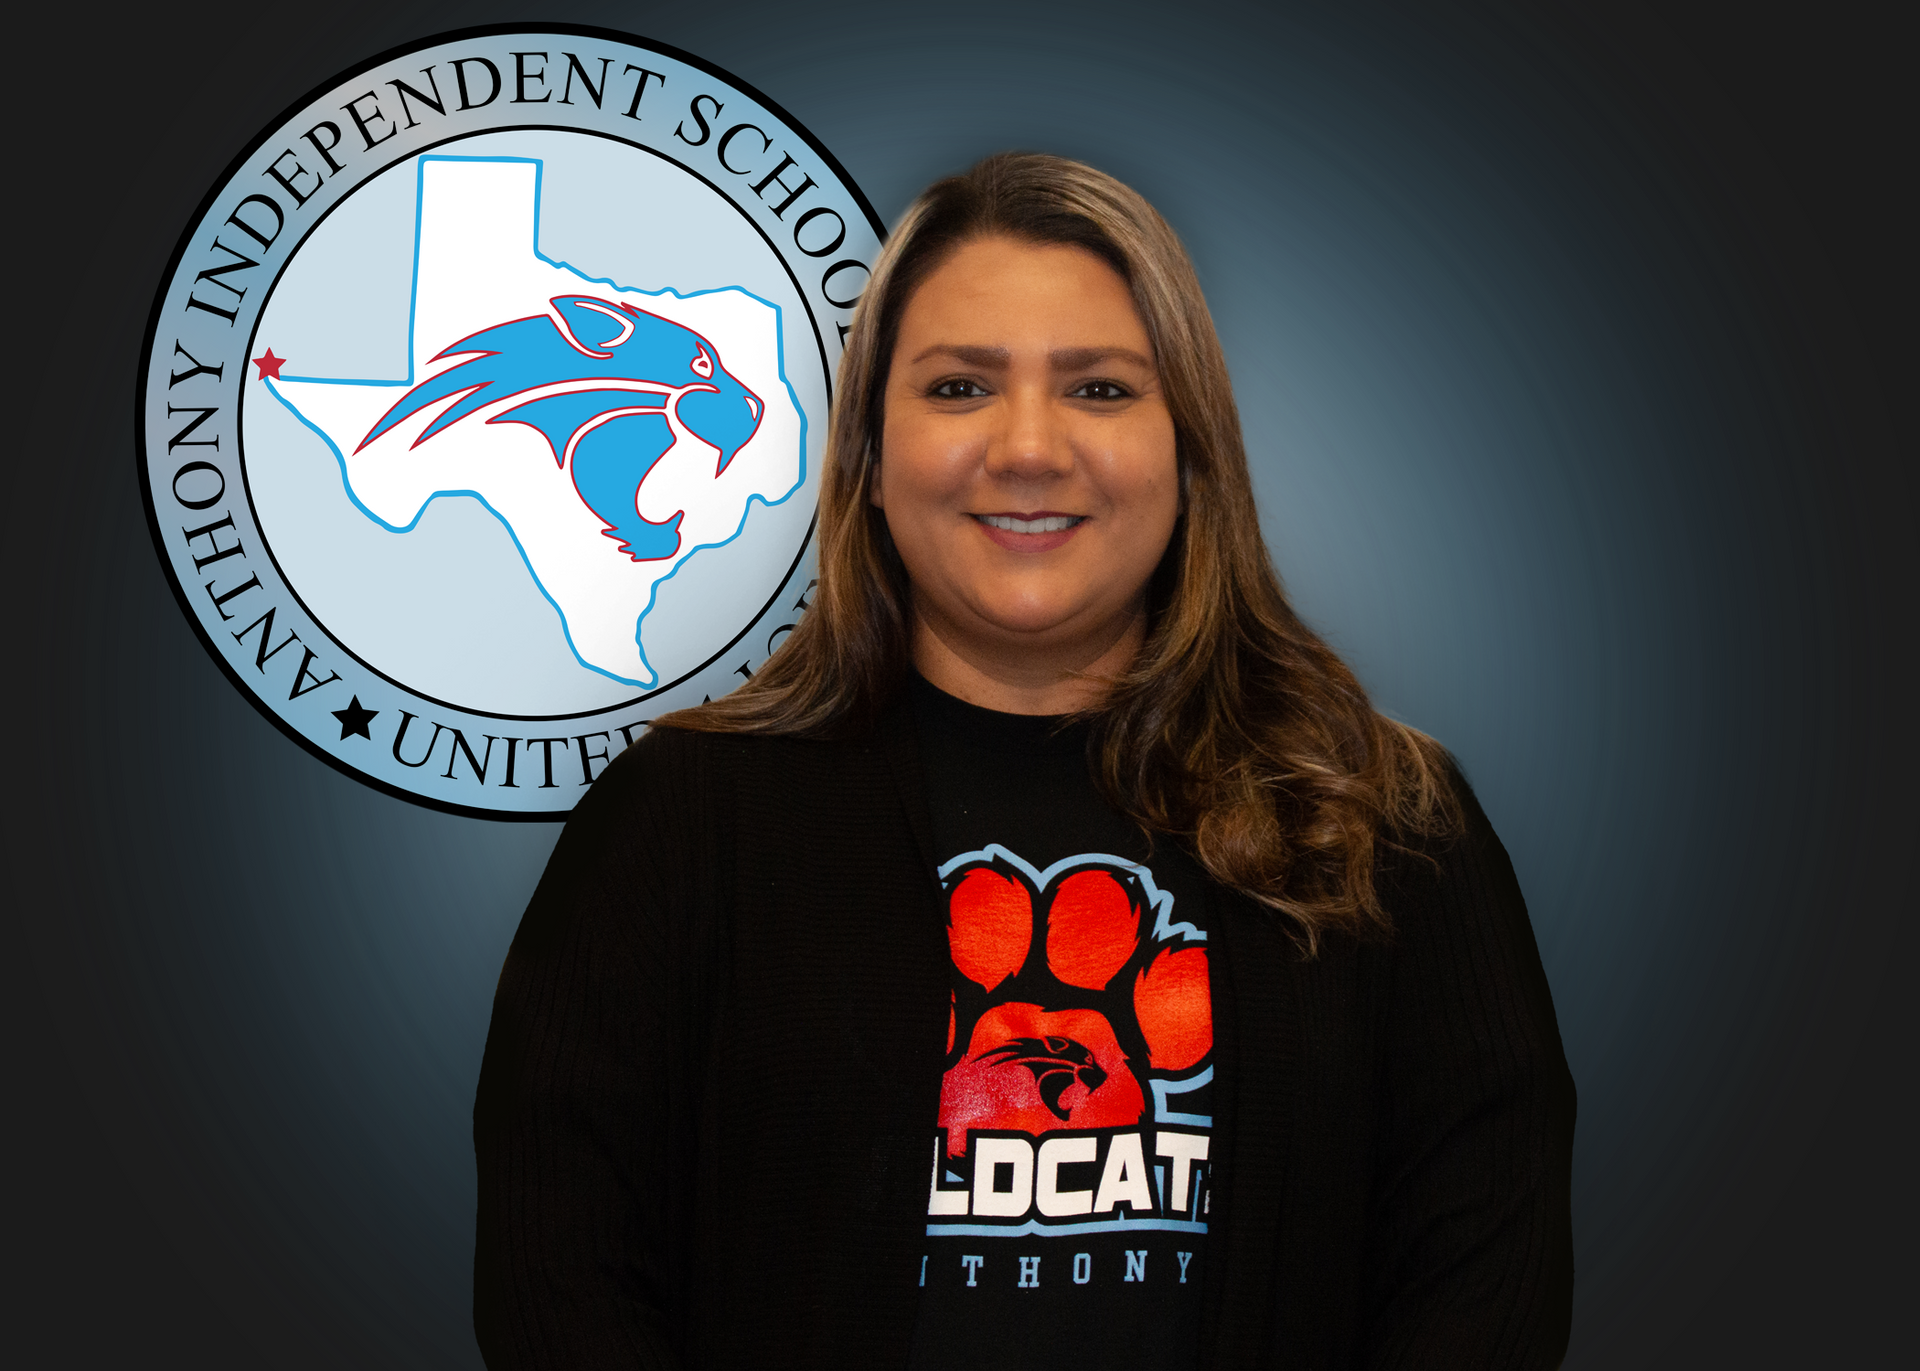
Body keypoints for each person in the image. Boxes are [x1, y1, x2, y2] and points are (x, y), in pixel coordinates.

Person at [473, 152, 1575, 1370]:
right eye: (960, 388)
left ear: (1189, 451)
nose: (1031, 448)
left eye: (1100, 389)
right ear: (868, 461)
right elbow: (558, 1278)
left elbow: (1487, 1280)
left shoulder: (1387, 820)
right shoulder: (680, 819)